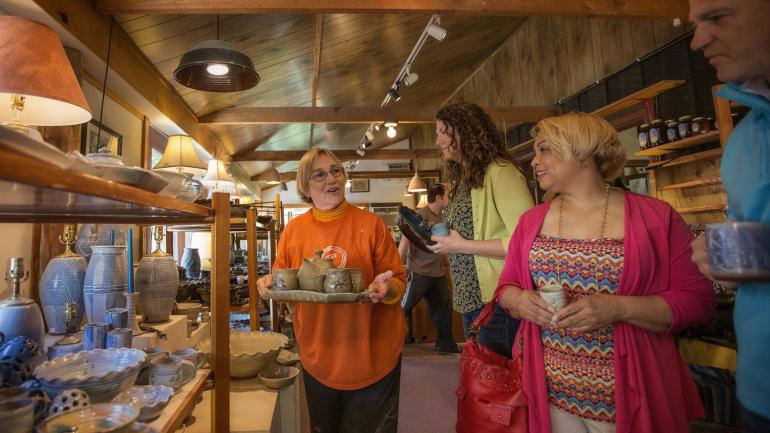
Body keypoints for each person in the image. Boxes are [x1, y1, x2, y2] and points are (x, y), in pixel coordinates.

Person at [496, 112, 717, 433]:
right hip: (550, 394)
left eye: (545, 149)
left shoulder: (655, 217)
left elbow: (697, 301)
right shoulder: (531, 221)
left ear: (582, 152)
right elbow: (506, 288)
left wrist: (619, 308)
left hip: (631, 392)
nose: (534, 161)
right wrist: (519, 301)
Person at [256, 148, 407, 433]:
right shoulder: (293, 231)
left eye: (336, 170)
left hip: (373, 353)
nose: (331, 178)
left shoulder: (371, 224)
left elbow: (398, 279)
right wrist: (265, 283)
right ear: (305, 186)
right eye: (320, 174)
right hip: (319, 354)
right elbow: (280, 279)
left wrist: (386, 288)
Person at [689, 1, 770, 431]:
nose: (697, 41)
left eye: (718, 17)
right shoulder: (745, 138)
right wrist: (725, 257)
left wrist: (754, 250)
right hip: (760, 389)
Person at [428, 102, 534, 358]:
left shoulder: (501, 172)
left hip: (497, 299)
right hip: (470, 299)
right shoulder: (464, 179)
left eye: (443, 132)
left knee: (499, 378)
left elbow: (526, 240)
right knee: (479, 376)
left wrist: (460, 245)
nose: (438, 140)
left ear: (464, 132)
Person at [398, 183, 460, 354]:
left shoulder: (442, 217)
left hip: (437, 272)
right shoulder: (420, 216)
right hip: (419, 272)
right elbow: (405, 242)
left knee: (443, 309)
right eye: (448, 195)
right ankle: (387, 343)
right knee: (402, 308)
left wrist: (447, 262)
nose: (450, 199)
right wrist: (397, 268)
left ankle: (445, 344)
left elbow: (443, 244)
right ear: (439, 198)